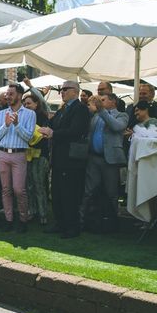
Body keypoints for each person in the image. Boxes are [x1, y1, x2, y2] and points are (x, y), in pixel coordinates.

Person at [40, 80, 90, 238]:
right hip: (59, 157)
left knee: (70, 194)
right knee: (57, 192)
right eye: (61, 90)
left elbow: (76, 130)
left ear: (75, 91)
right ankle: (60, 222)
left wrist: (54, 133)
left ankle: (72, 226)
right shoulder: (62, 110)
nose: (62, 92)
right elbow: (52, 124)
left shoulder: (80, 109)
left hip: (72, 159)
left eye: (65, 89)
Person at [80, 93, 128, 230]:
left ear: (113, 101)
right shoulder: (96, 116)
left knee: (112, 192)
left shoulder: (122, 116)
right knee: (88, 190)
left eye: (103, 100)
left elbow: (117, 127)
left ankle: (112, 221)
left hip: (110, 160)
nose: (100, 102)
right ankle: (83, 219)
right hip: (94, 158)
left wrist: (101, 110)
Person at [0, 83, 36, 232]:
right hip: (2, 154)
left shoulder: (30, 114)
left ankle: (23, 220)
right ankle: (9, 220)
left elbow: (29, 137)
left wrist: (16, 124)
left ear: (19, 95)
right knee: (6, 189)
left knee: (19, 189)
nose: (7, 96)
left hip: (19, 154)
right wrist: (6, 125)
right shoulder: (1, 113)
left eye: (11, 94)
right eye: (7, 94)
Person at [22, 90, 50, 225]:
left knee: (39, 185)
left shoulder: (42, 116)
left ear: (36, 104)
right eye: (25, 104)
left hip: (41, 155)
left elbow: (42, 137)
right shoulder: (24, 117)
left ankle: (43, 215)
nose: (26, 106)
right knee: (29, 185)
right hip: (28, 155)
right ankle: (32, 211)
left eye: (29, 103)